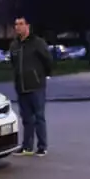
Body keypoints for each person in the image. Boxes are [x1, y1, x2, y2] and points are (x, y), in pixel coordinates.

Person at [9, 15, 54, 156]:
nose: (18, 27)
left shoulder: (37, 42)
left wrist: (42, 75)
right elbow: (14, 63)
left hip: (36, 86)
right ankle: (27, 146)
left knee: (39, 117)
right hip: (21, 86)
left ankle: (42, 146)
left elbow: (48, 60)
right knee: (26, 118)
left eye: (21, 24)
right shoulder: (14, 45)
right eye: (16, 24)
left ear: (28, 26)